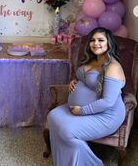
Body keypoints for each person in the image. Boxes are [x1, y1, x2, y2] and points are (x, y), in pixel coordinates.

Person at [48, 27, 126, 166]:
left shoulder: (113, 67)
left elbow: (108, 102)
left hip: (106, 115)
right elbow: (85, 78)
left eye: (101, 40)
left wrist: (82, 110)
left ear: (109, 43)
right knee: (53, 116)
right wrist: (75, 81)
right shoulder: (93, 59)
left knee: (67, 131)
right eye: (92, 40)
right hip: (83, 109)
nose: (96, 43)